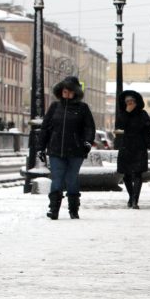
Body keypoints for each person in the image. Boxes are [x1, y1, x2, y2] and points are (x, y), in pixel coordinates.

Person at [37, 76, 96, 220]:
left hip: (76, 150)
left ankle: (73, 209)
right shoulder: (55, 107)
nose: (67, 94)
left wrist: (87, 142)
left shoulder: (83, 108)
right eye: (64, 92)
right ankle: (54, 209)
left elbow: (89, 127)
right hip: (56, 149)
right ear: (61, 92)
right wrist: (41, 148)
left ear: (75, 93)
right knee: (56, 178)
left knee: (71, 178)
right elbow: (45, 128)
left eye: (70, 92)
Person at [116, 90, 150, 209]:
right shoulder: (123, 114)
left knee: (137, 174)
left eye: (132, 101)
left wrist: (147, 125)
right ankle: (131, 196)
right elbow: (119, 126)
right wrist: (127, 113)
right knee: (126, 175)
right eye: (127, 101)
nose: (130, 103)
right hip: (126, 146)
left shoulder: (142, 114)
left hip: (139, 146)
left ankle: (135, 201)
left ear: (137, 102)